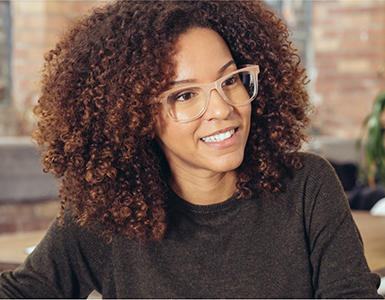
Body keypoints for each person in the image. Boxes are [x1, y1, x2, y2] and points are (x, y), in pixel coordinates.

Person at [0, 0, 382, 298]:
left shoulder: (307, 186)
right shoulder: (107, 214)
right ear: (136, 116)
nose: (223, 109)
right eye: (184, 94)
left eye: (230, 80)